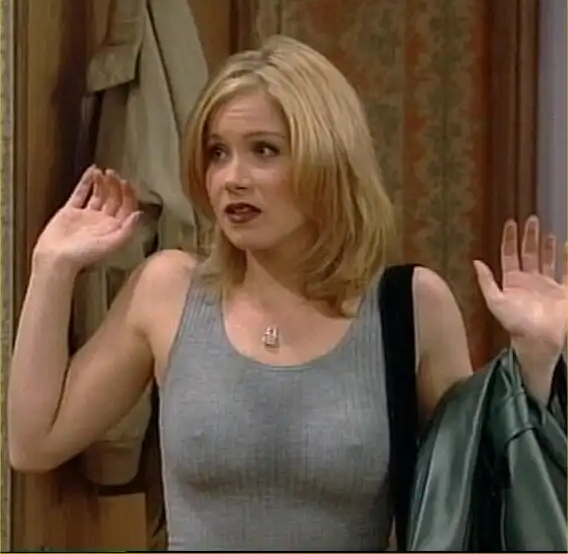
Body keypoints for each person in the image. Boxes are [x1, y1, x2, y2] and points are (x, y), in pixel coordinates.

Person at [8, 35, 567, 551]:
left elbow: (476, 486)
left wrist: (539, 363)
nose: (232, 177)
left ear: (327, 160)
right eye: (218, 152)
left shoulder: (411, 306)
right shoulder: (168, 291)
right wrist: (52, 268)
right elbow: (33, 443)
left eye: (265, 150)